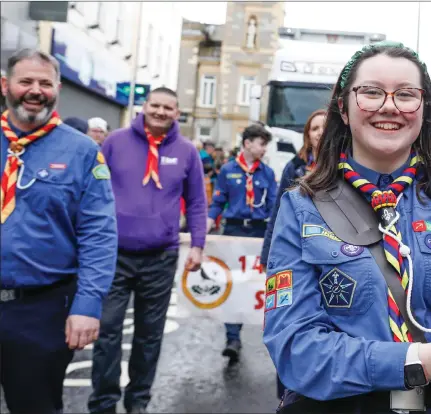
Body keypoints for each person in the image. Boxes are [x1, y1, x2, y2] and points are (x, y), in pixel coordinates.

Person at [264, 41, 431, 413]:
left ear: (424, 110)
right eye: (371, 92)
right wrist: (420, 361)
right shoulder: (302, 207)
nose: (389, 106)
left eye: (406, 94)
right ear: (344, 107)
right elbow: (295, 350)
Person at [0, 49, 117, 414]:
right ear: (5, 85)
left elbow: (98, 233)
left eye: (45, 83)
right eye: (25, 81)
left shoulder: (82, 151)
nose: (35, 90)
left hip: (42, 311)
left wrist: (87, 305)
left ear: (57, 90)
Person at [88, 87, 207, 414]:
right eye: (155, 105)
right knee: (108, 333)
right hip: (114, 255)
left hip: (161, 257)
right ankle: (102, 403)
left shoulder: (187, 151)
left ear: (177, 113)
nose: (160, 112)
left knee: (148, 337)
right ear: (144, 107)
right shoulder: (115, 142)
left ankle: (138, 401)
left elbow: (197, 201)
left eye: (168, 107)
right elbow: (94, 191)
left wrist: (198, 244)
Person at [260, 108, 326, 400]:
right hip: (293, 254)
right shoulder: (294, 167)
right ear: (307, 135)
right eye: (315, 128)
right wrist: (267, 256)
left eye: (326, 127)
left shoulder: (348, 165)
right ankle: (287, 393)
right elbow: (277, 212)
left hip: (326, 256)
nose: (320, 133)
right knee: (288, 323)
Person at [207, 123, 277, 362]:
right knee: (233, 283)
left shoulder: (267, 174)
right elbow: (218, 202)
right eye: (261, 144)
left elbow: (274, 206)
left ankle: (267, 335)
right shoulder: (228, 170)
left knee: (256, 284)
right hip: (234, 230)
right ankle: (233, 338)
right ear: (247, 143)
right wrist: (206, 225)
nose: (264, 149)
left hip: (258, 233)